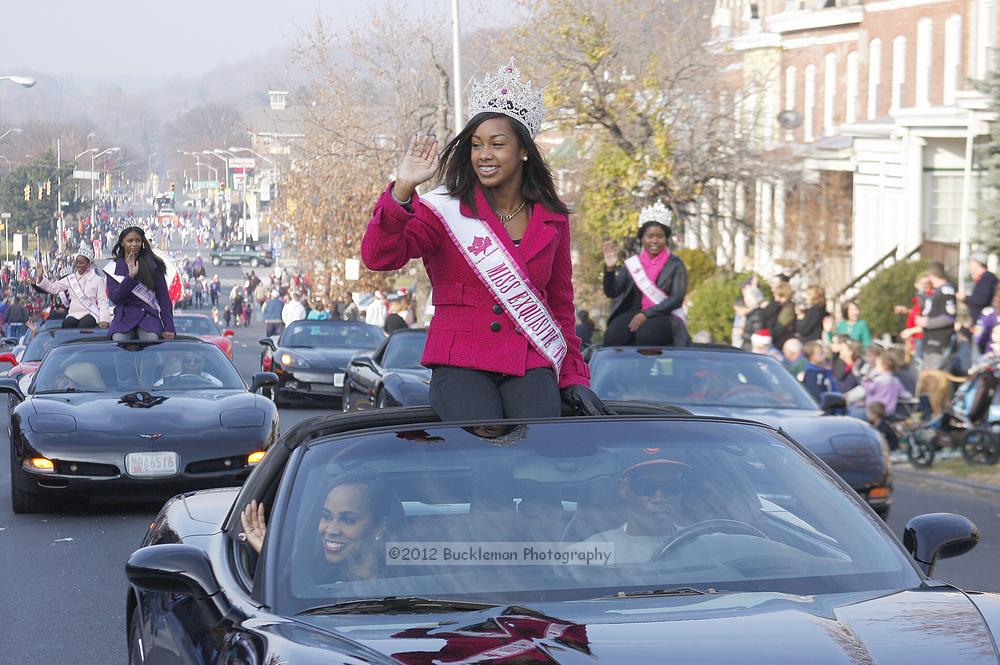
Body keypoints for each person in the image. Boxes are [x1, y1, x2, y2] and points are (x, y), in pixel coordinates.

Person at [360, 58, 606, 420]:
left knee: (539, 432)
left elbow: (560, 306)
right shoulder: (444, 210)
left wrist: (573, 377)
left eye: (497, 144)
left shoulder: (552, 218)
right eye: (476, 145)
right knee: (484, 431)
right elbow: (379, 256)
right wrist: (403, 187)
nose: (484, 155)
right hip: (459, 360)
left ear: (523, 150)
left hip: (528, 357)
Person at [240, 469, 396, 583]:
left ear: (379, 527)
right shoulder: (308, 579)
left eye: (348, 520)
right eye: (327, 516)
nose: (331, 530)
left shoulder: (407, 569)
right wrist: (272, 558)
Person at [602, 201, 690, 347]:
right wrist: (610, 269)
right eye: (650, 236)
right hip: (634, 311)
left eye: (659, 236)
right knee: (613, 336)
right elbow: (612, 292)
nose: (654, 240)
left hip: (664, 314)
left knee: (647, 335)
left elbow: (677, 299)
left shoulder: (676, 264)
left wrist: (646, 314)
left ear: (666, 238)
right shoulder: (632, 263)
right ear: (642, 238)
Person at [584, 460, 689, 564]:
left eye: (673, 486)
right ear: (623, 489)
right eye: (646, 486)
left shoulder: (703, 544)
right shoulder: (594, 550)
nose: (660, 498)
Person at [105, 225, 176, 342]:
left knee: (151, 340)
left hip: (147, 316)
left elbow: (164, 299)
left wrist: (169, 326)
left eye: (138, 240)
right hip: (124, 317)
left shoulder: (153, 265)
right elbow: (115, 298)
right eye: (130, 241)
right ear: (122, 243)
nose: (134, 244)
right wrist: (130, 277)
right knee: (118, 340)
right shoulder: (113, 267)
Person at [34, 242, 109, 329]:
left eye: (81, 263)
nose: (78, 265)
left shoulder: (97, 280)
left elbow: (102, 301)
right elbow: (53, 288)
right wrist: (40, 277)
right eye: (77, 263)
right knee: (66, 324)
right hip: (74, 313)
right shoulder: (71, 279)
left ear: (89, 264)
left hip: (91, 313)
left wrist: (104, 320)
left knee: (83, 326)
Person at [916, 262, 957, 371]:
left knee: (934, 379)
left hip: (939, 343)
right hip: (930, 342)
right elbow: (926, 307)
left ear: (931, 275)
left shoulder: (946, 290)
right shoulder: (937, 291)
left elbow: (949, 317)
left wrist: (927, 323)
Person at [959, 252, 998, 323]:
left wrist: (965, 298)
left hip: (985, 324)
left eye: (970, 263)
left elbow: (982, 300)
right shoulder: (983, 278)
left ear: (977, 264)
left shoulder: (988, 278)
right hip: (978, 322)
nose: (969, 266)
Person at [153, 349, 223, 388]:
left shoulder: (214, 382)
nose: (192, 363)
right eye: (187, 361)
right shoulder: (165, 381)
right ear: (181, 363)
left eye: (197, 361)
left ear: (203, 364)